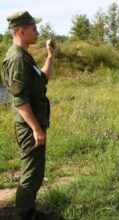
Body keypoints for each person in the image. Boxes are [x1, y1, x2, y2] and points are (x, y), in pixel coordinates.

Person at [1, 11, 55, 219]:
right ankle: (24, 215)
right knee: (31, 173)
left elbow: (44, 78)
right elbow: (19, 100)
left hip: (34, 123)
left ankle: (29, 212)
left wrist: (50, 57)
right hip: (28, 126)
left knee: (36, 172)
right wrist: (35, 128)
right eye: (34, 29)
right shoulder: (17, 59)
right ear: (21, 31)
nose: (38, 32)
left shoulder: (25, 56)